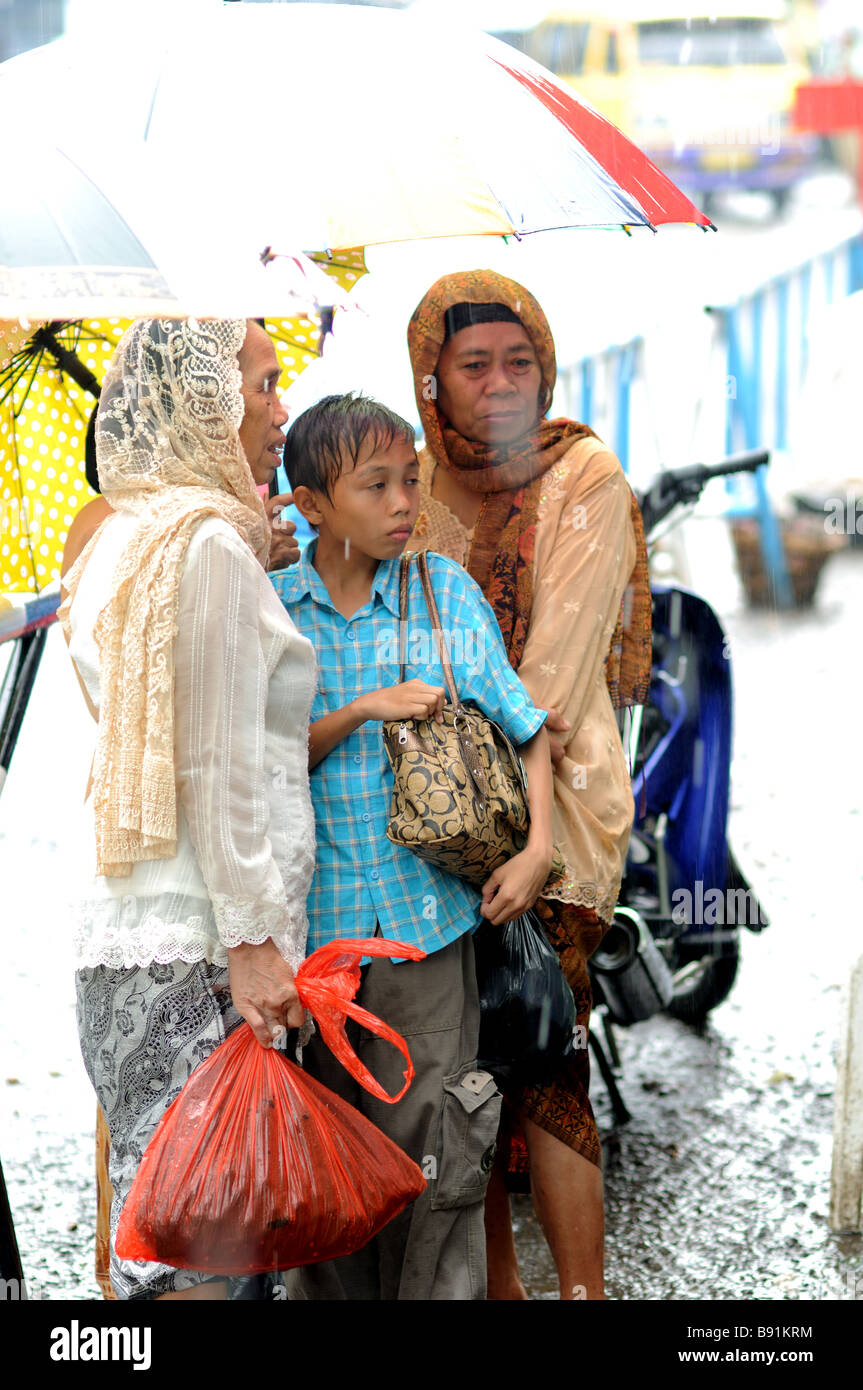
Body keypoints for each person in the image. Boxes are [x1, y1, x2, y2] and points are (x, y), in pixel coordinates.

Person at [270, 391, 556, 1301]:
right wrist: (357, 710)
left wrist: (535, 848)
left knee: (437, 1147)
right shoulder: (276, 612)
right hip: (311, 943)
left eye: (410, 483)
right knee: (325, 1167)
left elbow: (525, 729)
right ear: (312, 504)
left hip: (426, 931)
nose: (404, 504)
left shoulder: (442, 594)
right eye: (375, 486)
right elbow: (256, 761)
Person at [405, 270, 652, 1300]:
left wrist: (499, 818)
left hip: (556, 808)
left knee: (546, 1049)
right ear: (431, 380)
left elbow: (548, 682)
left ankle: (583, 1293)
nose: (502, 384)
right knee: (470, 1071)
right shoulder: (401, 477)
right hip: (432, 818)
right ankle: (498, 1289)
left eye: (520, 362)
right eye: (474, 365)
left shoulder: (582, 475)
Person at [59, 318, 317, 1300]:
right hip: (204, 950)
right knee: (208, 1254)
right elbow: (210, 766)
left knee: (163, 1235)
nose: (280, 410)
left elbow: (155, 726)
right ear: (201, 403)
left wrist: (255, 568)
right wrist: (255, 941)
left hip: (125, 940)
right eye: (260, 386)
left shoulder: (123, 538)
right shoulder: (205, 547)